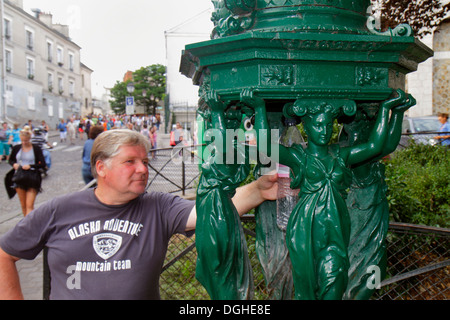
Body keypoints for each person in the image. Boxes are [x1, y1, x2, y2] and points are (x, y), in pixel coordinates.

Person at [0, 129, 277, 299]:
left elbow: (209, 212)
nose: (143, 169)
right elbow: (5, 253)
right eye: (130, 162)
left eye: (144, 161)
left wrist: (258, 190)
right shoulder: (59, 209)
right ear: (101, 168)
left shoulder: (157, 206)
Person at [7, 126, 46, 216]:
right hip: (19, 178)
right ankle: (26, 226)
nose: (24, 143)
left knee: (30, 205)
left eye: (26, 141)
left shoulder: (35, 148)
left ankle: (30, 225)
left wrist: (31, 166)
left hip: (32, 178)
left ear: (29, 139)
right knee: (23, 205)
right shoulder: (17, 148)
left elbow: (42, 163)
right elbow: (10, 160)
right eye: (22, 141)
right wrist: (14, 164)